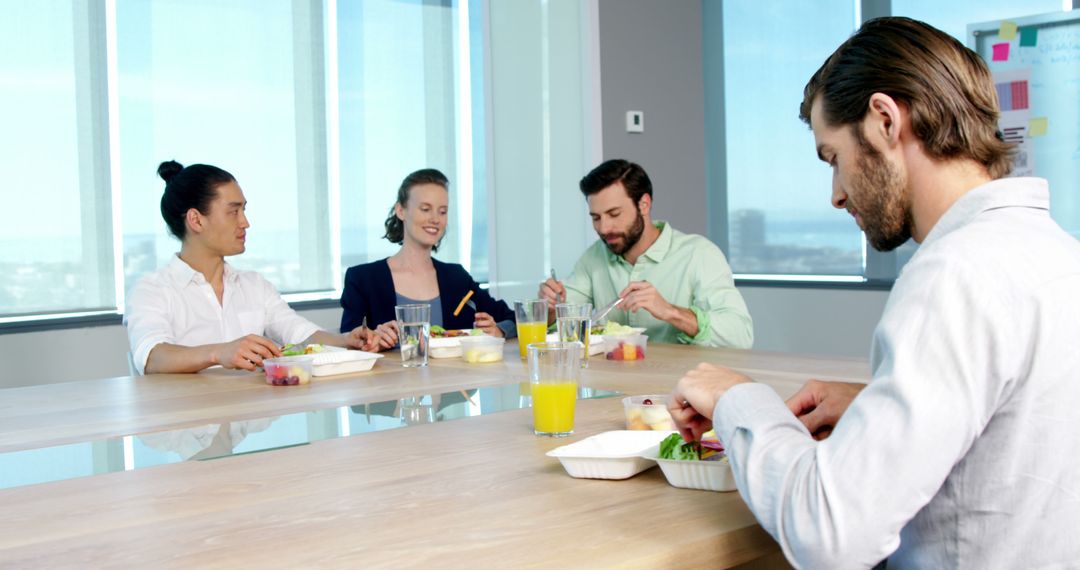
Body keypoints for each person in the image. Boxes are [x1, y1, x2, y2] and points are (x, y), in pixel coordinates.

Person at [668, 17, 1080, 568]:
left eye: (833, 158)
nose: (835, 196)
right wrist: (874, 404)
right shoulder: (1054, 252)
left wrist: (738, 401)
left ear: (885, 120)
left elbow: (830, 534)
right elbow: (1022, 434)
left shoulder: (954, 273)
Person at [125, 161, 378, 374]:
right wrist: (218, 352)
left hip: (248, 421)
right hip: (184, 425)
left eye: (244, 210)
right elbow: (152, 357)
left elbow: (299, 333)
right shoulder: (153, 289)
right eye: (233, 212)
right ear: (196, 220)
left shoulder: (255, 285)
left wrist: (346, 341)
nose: (245, 223)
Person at [538, 159, 752, 348]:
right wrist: (549, 310)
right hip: (613, 388)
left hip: (680, 388)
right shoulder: (593, 258)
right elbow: (564, 330)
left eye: (614, 214)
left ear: (644, 204)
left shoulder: (699, 254)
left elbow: (740, 336)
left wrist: (671, 312)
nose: (604, 228)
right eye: (596, 217)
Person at [340, 168, 515, 350]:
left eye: (442, 211)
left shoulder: (457, 278)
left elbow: (513, 318)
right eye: (425, 209)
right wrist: (371, 338)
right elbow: (348, 340)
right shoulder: (362, 279)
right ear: (400, 210)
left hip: (454, 378)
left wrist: (498, 331)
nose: (435, 219)